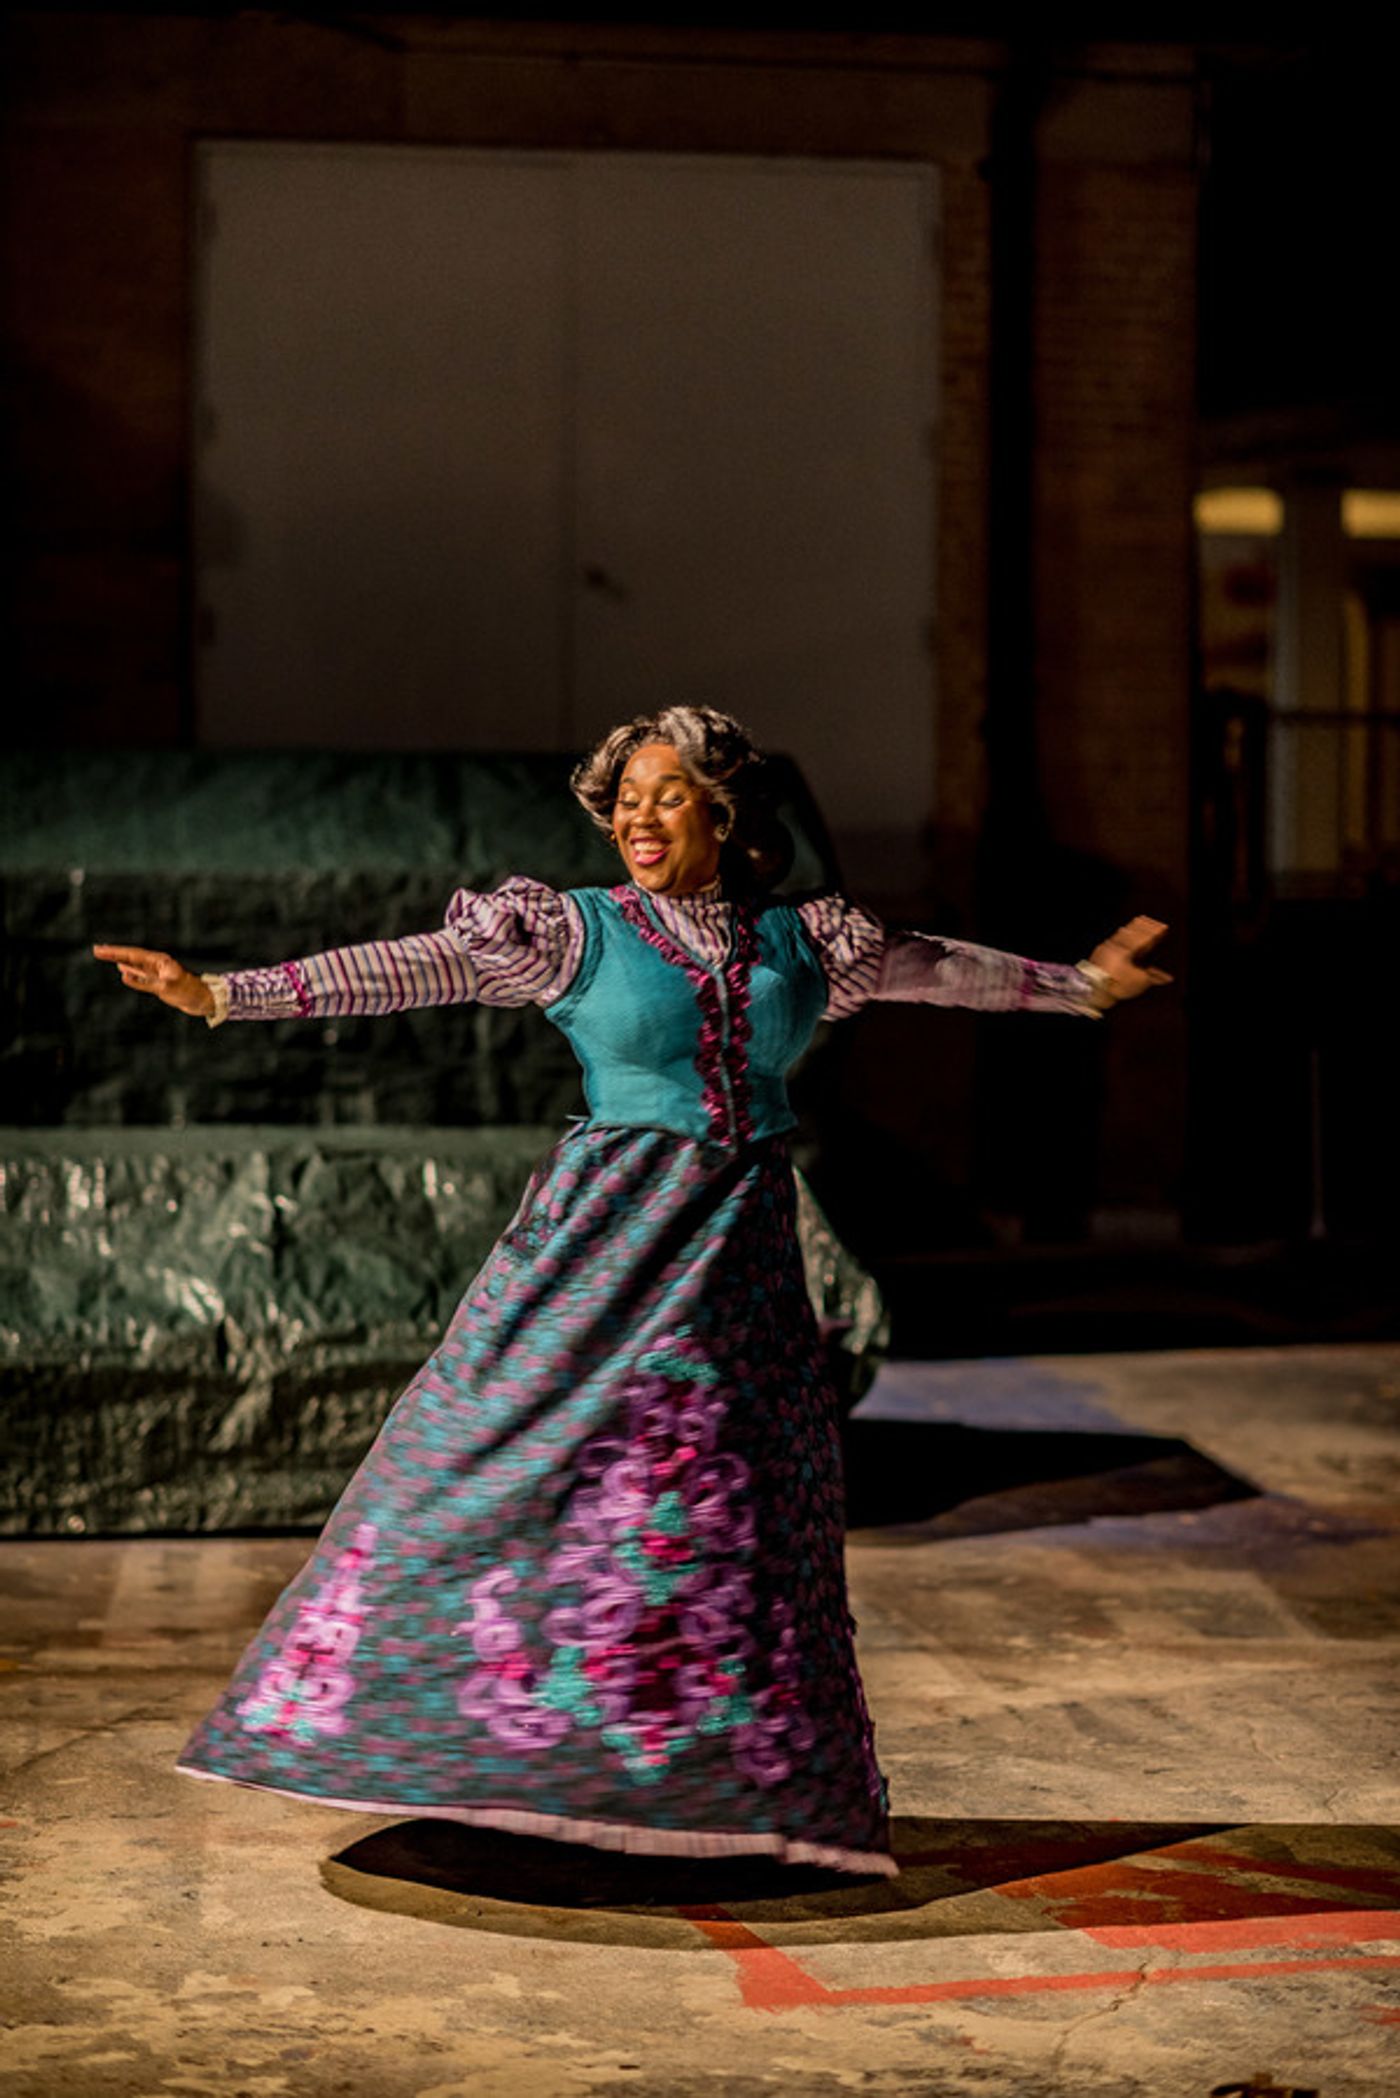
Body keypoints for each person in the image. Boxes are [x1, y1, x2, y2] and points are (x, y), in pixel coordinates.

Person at [93, 706, 1169, 1878]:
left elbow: (940, 970)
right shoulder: (570, 931)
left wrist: (1077, 988)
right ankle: (448, 1733)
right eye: (621, 800)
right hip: (600, 1235)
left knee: (725, 1503)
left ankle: (708, 1778)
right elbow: (413, 967)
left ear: (720, 809)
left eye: (663, 795)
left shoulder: (809, 941)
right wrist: (221, 994)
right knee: (491, 1455)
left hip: (737, 1248)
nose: (635, 819)